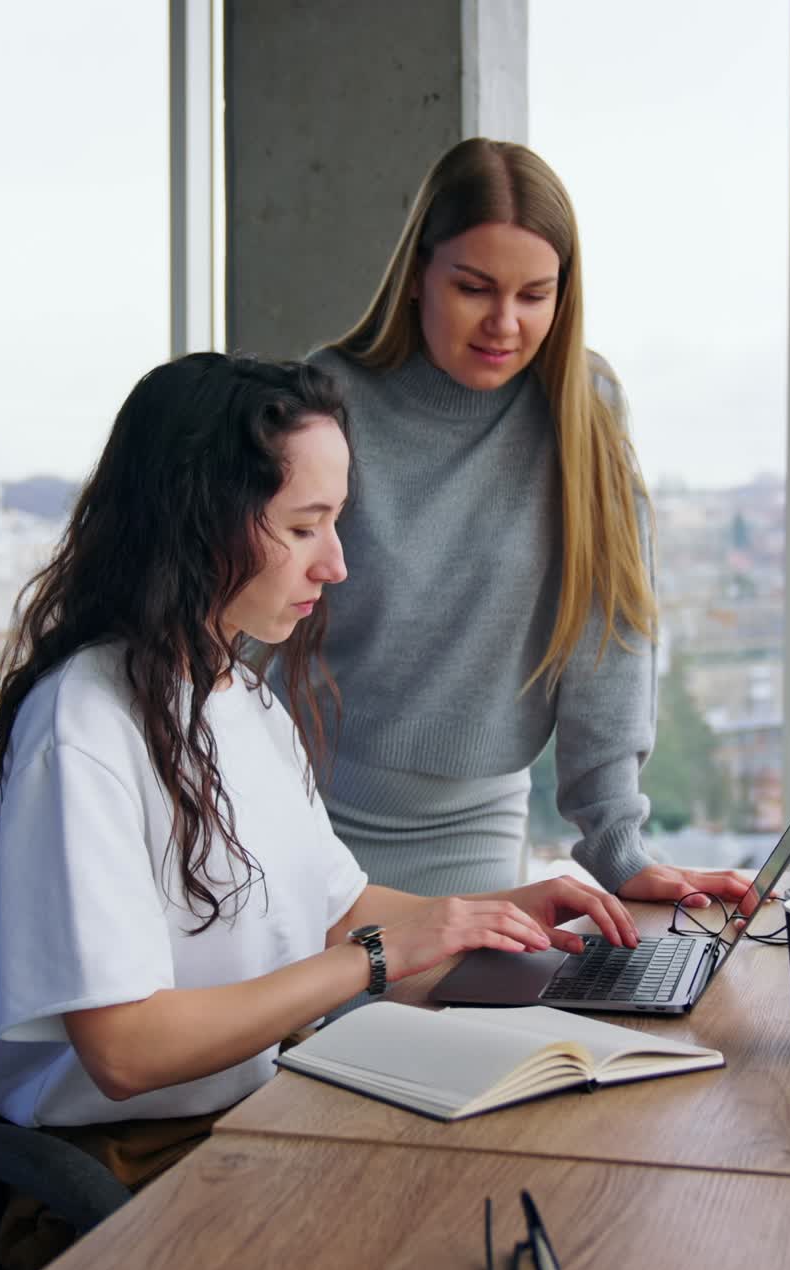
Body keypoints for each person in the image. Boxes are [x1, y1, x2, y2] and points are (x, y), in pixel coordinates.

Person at [0, 352, 639, 1270]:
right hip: (123, 1182)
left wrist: (517, 922)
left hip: (262, 1124)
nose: (339, 561)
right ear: (200, 526)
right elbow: (124, 1048)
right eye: (303, 525)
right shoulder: (84, 730)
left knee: (560, 1204)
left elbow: (338, 912)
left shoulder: (241, 697)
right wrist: (373, 960)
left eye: (337, 521)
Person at [290, 137, 753, 908]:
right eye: (474, 287)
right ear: (416, 275)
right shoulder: (327, 397)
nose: (504, 323)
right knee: (333, 1026)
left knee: (474, 1025)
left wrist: (619, 844)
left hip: (479, 830)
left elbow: (612, 633)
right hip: (305, 815)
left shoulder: (584, 410)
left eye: (535, 295)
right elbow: (246, 612)